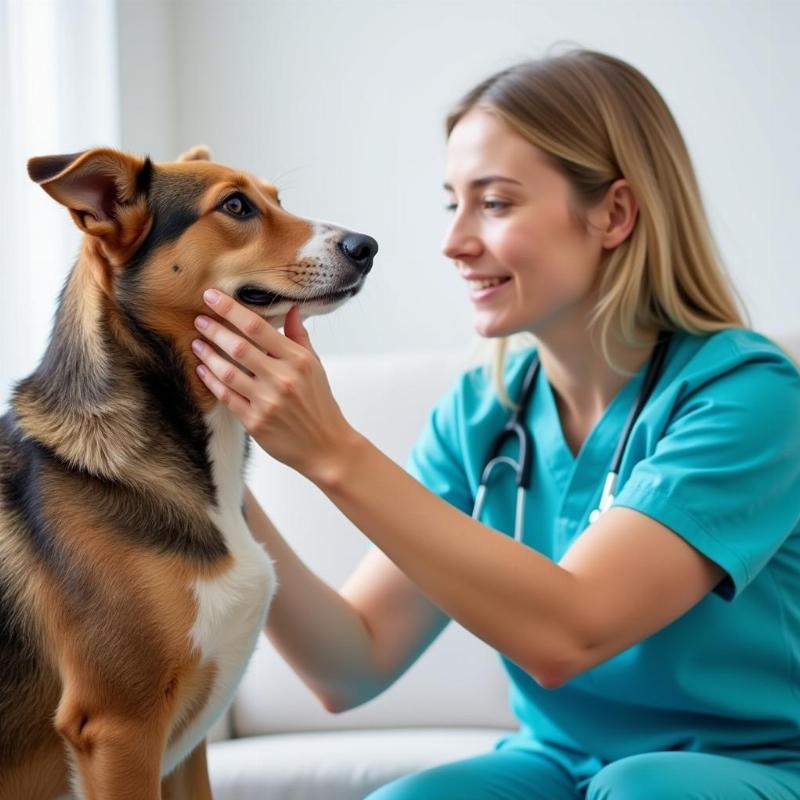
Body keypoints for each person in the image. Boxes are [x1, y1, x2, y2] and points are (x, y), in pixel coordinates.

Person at [190, 48, 800, 799]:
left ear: (614, 214)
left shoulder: (750, 397)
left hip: (753, 770)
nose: (454, 242)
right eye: (454, 202)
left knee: (645, 790)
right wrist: (210, 473)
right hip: (559, 763)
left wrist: (332, 451)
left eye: (497, 203)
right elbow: (351, 663)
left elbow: (570, 633)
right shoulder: (485, 411)